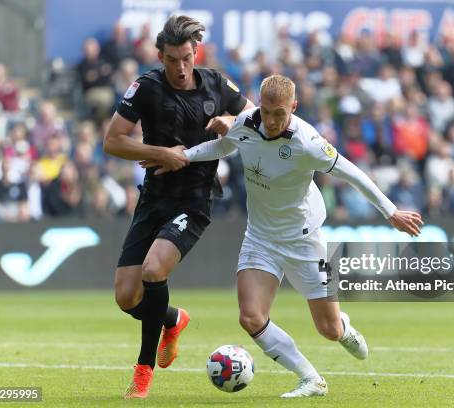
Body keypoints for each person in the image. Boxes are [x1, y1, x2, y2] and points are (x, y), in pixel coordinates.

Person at [143, 75, 422, 397]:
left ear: (294, 107)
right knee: (251, 317)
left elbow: (353, 174)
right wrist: (184, 157)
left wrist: (391, 212)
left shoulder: (308, 143)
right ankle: (311, 378)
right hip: (260, 237)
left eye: (280, 113)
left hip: (304, 239)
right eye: (267, 111)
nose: (272, 120)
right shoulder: (247, 122)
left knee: (328, 329)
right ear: (259, 104)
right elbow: (224, 145)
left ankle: (344, 328)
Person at [102, 15, 254, 399]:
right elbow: (113, 141)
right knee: (126, 297)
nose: (181, 68)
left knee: (154, 270)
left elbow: (253, 119)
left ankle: (142, 372)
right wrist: (159, 154)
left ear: (196, 53)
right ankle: (172, 318)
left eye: (187, 58)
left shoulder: (217, 84)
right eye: (173, 60)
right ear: (160, 56)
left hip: (195, 199)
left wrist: (230, 120)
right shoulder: (147, 88)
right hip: (153, 198)